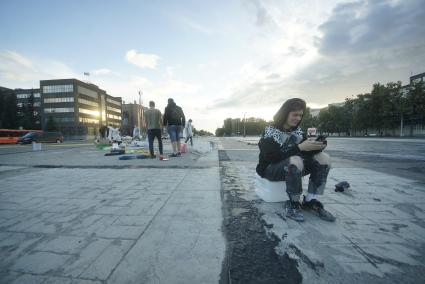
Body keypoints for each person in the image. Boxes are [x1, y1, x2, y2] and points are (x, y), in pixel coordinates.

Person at [256, 98, 335, 222]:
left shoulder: (298, 132)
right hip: (270, 169)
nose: (298, 118)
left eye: (300, 115)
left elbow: (307, 151)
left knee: (323, 158)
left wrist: (319, 144)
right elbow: (271, 157)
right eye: (295, 114)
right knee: (295, 159)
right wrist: (299, 147)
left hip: (293, 168)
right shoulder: (270, 131)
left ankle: (310, 200)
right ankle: (293, 203)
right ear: (285, 114)